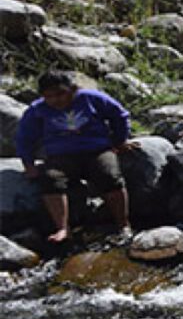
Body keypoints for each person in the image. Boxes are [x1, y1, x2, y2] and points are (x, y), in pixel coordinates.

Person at [15, 70, 135, 243]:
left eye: (60, 94)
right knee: (50, 179)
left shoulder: (91, 98)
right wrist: (29, 164)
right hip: (61, 156)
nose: (56, 100)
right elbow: (24, 138)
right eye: (49, 96)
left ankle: (123, 224)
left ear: (72, 89)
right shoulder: (37, 110)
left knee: (109, 175)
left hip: (97, 151)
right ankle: (63, 228)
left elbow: (120, 115)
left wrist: (119, 140)